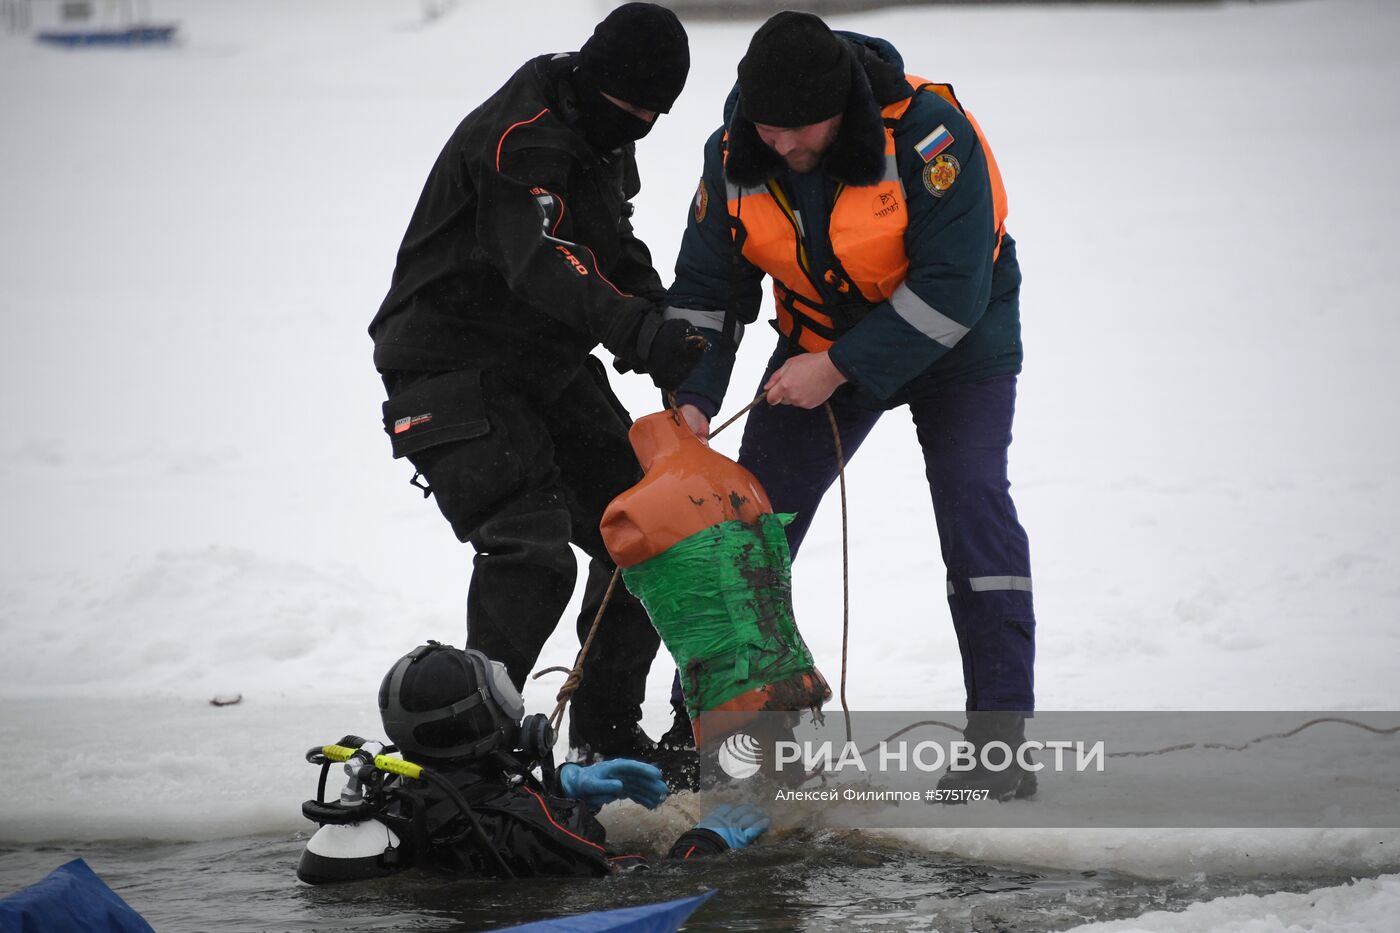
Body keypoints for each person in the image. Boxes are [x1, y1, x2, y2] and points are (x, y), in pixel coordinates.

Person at [662, 12, 1037, 799]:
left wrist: (838, 368)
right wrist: (692, 398)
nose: (788, 145)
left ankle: (999, 748)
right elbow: (707, 289)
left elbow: (952, 291)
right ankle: (727, 734)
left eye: (803, 129)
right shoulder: (736, 152)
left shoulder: (932, 136)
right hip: (816, 339)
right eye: (771, 129)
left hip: (958, 345)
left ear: (844, 105)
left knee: (973, 504)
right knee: (751, 527)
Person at [367, 3, 706, 765]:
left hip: (541, 362)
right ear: (594, 81)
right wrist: (633, 331)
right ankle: (472, 754)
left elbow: (607, 242)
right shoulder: (520, 138)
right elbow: (543, 258)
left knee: (649, 534)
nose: (640, 126)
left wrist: (658, 319)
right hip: (445, 364)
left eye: (656, 117)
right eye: (631, 111)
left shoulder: (600, 130)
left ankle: (606, 733)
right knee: (533, 550)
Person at [297, 643, 770, 883]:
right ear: (481, 724)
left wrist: (562, 784)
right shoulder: (528, 827)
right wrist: (702, 844)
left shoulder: (398, 790)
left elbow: (478, 807)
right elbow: (638, 883)